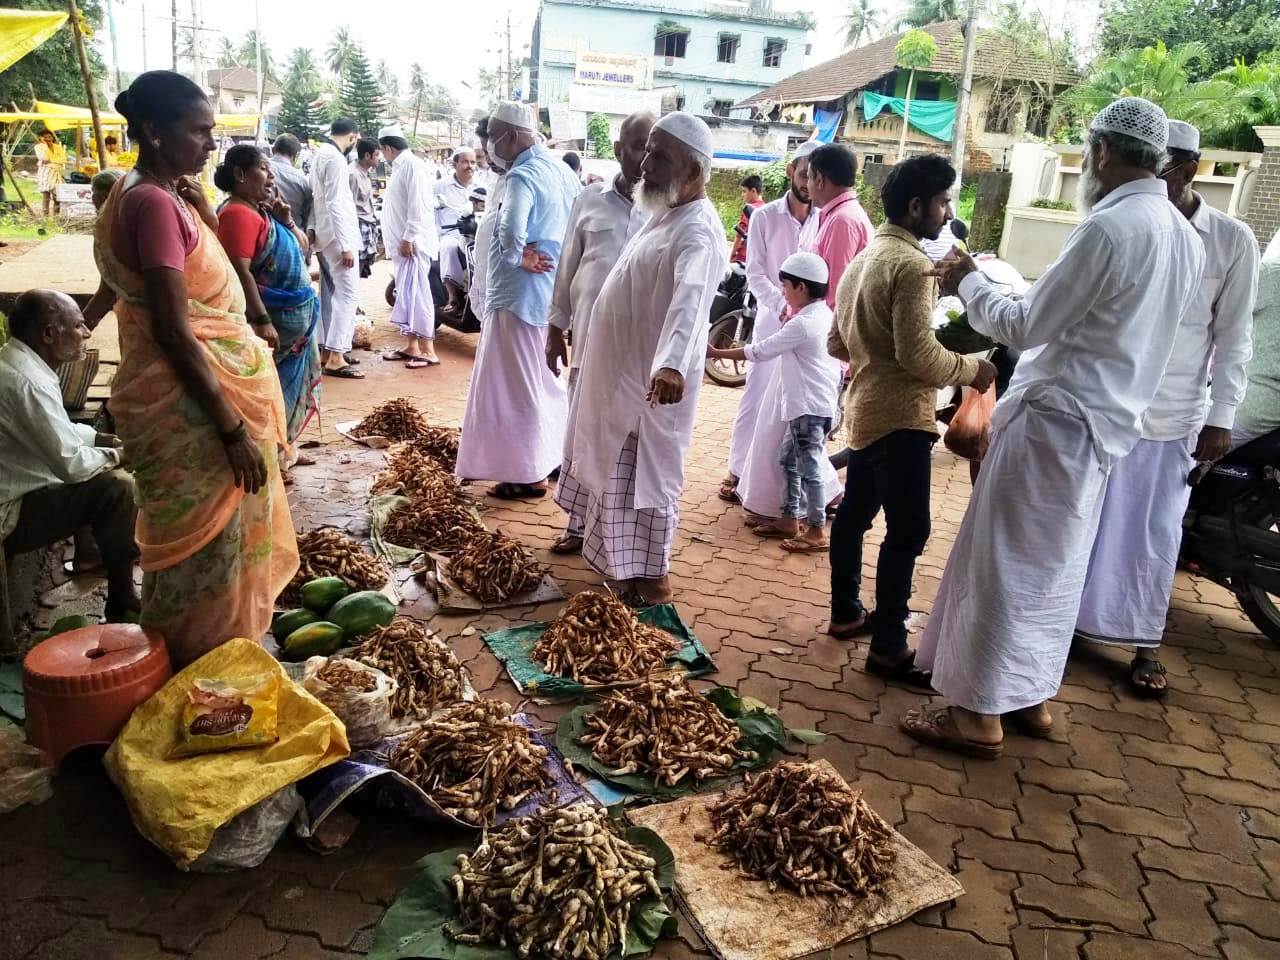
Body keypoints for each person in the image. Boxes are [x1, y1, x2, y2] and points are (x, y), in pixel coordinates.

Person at [903, 98, 1204, 758]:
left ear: (1101, 152)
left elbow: (1026, 326)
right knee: (1054, 572)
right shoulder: (1182, 234)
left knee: (1007, 567)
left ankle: (978, 715)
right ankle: (1030, 698)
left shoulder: (1109, 229)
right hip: (1104, 429)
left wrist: (967, 281)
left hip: (1055, 423)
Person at [95, 70, 298, 667]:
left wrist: (201, 208)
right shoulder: (152, 204)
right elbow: (174, 331)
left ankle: (198, 661)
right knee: (211, 553)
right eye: (200, 130)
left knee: (208, 553)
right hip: (193, 410)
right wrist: (230, 428)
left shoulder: (154, 194)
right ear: (155, 130)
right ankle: (206, 669)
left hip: (184, 397)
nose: (211, 144)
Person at [1074, 119, 1258, 698]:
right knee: (1087, 524)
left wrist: (1220, 416)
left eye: (1166, 167)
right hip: (1104, 406)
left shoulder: (1230, 240)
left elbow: (1233, 338)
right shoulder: (1119, 222)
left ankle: (1145, 645)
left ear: (1190, 169)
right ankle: (1073, 626)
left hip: (1172, 414)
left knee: (1153, 534)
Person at [824, 155, 996, 685]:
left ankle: (846, 610)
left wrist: (879, 344)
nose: (948, 214)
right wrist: (973, 367)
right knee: (909, 531)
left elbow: (836, 342)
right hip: (901, 419)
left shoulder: (864, 261)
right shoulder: (913, 266)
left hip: (865, 412)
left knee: (854, 517)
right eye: (944, 202)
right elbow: (921, 357)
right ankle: (889, 646)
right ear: (917, 206)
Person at [565, 112, 727, 606]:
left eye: (661, 157)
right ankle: (624, 571)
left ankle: (653, 581)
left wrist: (673, 363)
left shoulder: (697, 230)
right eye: (648, 152)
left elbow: (692, 299)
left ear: (694, 172)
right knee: (617, 477)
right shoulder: (663, 211)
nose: (647, 165)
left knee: (645, 483)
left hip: (651, 384)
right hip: (623, 375)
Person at [455, 101, 580, 500]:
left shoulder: (523, 176)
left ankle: (529, 474)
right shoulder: (561, 170)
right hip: (551, 295)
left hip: (518, 295)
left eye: (492, 138)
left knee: (517, 386)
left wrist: (518, 255)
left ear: (510, 137)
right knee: (545, 379)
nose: (489, 146)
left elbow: (510, 232)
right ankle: (554, 456)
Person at [547, 110, 654, 555]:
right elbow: (568, 267)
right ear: (617, 150)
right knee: (583, 431)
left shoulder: (668, 211)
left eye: (653, 150)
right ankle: (577, 525)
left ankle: (615, 537)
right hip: (588, 343)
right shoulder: (589, 200)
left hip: (637, 353)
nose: (645, 160)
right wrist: (556, 328)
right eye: (636, 147)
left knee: (627, 443)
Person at [0, 290, 140, 622]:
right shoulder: (27, 382)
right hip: (10, 514)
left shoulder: (17, 363)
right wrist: (119, 454)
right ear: (48, 334)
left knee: (109, 474)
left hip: (19, 491)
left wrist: (99, 437)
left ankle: (95, 560)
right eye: (78, 325)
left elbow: (57, 430)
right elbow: (71, 464)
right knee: (118, 487)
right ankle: (122, 599)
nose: (87, 333)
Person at [720, 142, 833, 511]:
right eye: (803, 174)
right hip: (773, 320)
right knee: (757, 395)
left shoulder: (825, 218)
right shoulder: (765, 216)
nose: (808, 183)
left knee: (793, 405)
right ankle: (738, 471)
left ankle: (783, 488)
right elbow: (754, 272)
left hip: (810, 327)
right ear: (790, 172)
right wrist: (782, 304)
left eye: (815, 177)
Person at [707, 252, 842, 551]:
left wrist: (716, 354)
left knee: (809, 468)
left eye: (785, 286)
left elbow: (760, 351)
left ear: (802, 288)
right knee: (789, 462)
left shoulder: (803, 324)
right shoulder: (821, 315)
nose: (782, 292)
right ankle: (789, 519)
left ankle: (816, 531)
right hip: (809, 406)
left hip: (809, 408)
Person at [213, 144, 322, 445]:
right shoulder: (237, 213)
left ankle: (282, 449)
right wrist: (261, 319)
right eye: (263, 168)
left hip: (292, 322)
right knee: (267, 393)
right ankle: (270, 452)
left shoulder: (262, 212)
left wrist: (286, 220)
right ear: (240, 174)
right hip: (271, 322)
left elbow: (303, 250)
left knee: (278, 390)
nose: (271, 175)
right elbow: (239, 271)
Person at [379, 125, 441, 369]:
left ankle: (429, 350)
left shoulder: (412, 165)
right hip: (403, 245)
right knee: (407, 296)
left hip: (413, 244)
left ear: (387, 148)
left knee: (419, 296)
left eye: (383, 151)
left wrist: (409, 236)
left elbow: (419, 205)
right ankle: (412, 346)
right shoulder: (401, 167)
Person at [311, 118, 363, 379]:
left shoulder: (321, 153)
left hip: (325, 234)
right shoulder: (335, 158)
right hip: (336, 236)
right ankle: (335, 356)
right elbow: (335, 203)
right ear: (353, 137)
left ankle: (328, 350)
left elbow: (318, 199)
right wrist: (346, 245)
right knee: (348, 295)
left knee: (332, 294)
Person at [806, 143, 874, 305]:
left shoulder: (842, 221)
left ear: (820, 179)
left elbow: (835, 296)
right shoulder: (840, 214)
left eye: (809, 178)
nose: (807, 185)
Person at [1233, 231, 1280, 446]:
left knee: (1181, 431)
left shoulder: (1271, 274)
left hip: (1255, 406)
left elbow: (1220, 309)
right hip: (1269, 409)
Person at [469, 119, 505, 325]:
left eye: (490, 150)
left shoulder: (524, 177)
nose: (488, 159)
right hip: (489, 279)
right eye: (484, 152)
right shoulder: (494, 177)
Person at [437, 146, 477, 315]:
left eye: (473, 162)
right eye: (465, 162)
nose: (470, 166)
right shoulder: (440, 187)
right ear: (455, 164)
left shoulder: (481, 186)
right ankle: (453, 297)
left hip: (475, 234)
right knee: (449, 247)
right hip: (451, 234)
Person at [270, 134, 313, 234]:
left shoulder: (258, 169)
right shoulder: (303, 181)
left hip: (264, 234)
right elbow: (307, 216)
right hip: (294, 236)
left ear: (273, 150)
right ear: (296, 155)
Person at [350, 138, 380, 278]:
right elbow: (349, 207)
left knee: (360, 270)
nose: (379, 159)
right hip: (358, 227)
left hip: (367, 224)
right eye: (377, 155)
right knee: (353, 271)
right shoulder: (353, 175)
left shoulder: (365, 173)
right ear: (367, 156)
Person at [730, 173, 764, 263]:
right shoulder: (766, 208)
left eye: (744, 191)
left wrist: (732, 255)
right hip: (758, 258)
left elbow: (739, 235)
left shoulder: (749, 209)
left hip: (743, 256)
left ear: (753, 191)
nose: (742, 195)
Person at [34, 129, 67, 218]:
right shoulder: (38, 147)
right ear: (41, 138)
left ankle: (56, 216)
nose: (48, 139)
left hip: (56, 172)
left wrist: (51, 161)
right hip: (45, 172)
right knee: (46, 195)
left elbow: (63, 160)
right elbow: (43, 158)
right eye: (45, 137)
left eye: (49, 136)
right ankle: (46, 217)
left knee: (57, 196)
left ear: (52, 137)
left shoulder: (58, 147)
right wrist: (45, 145)